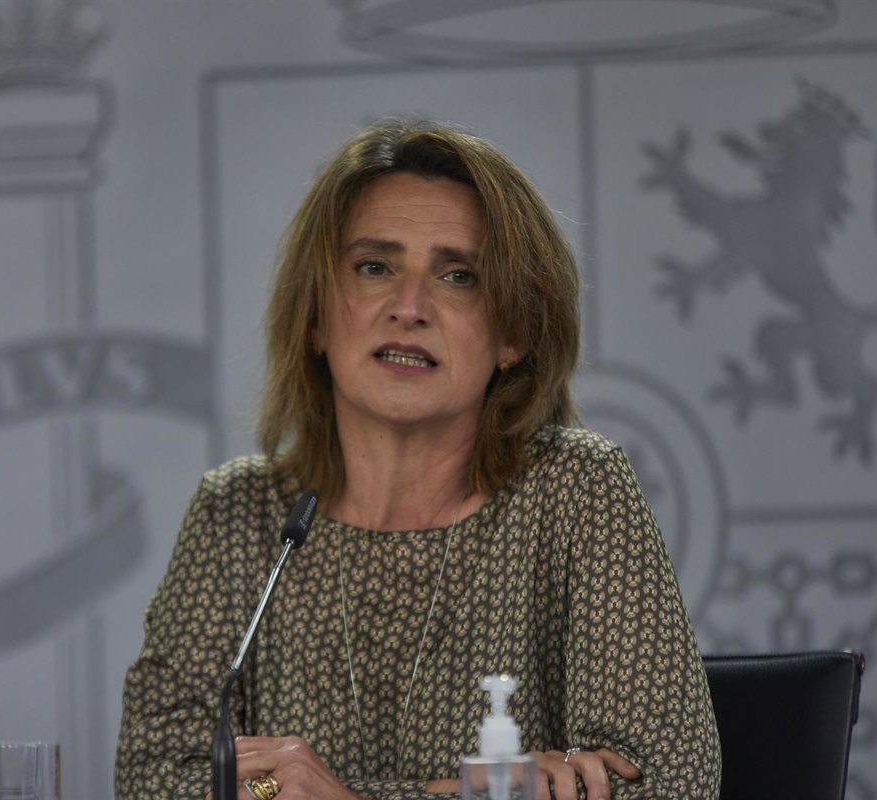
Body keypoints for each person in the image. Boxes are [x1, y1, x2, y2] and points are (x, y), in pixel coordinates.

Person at [115, 119, 721, 800]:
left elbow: (669, 781)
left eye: (459, 276)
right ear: (315, 315)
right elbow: (151, 781)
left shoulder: (576, 490)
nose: (409, 308)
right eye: (375, 267)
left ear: (514, 333)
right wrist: (486, 791)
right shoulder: (238, 514)